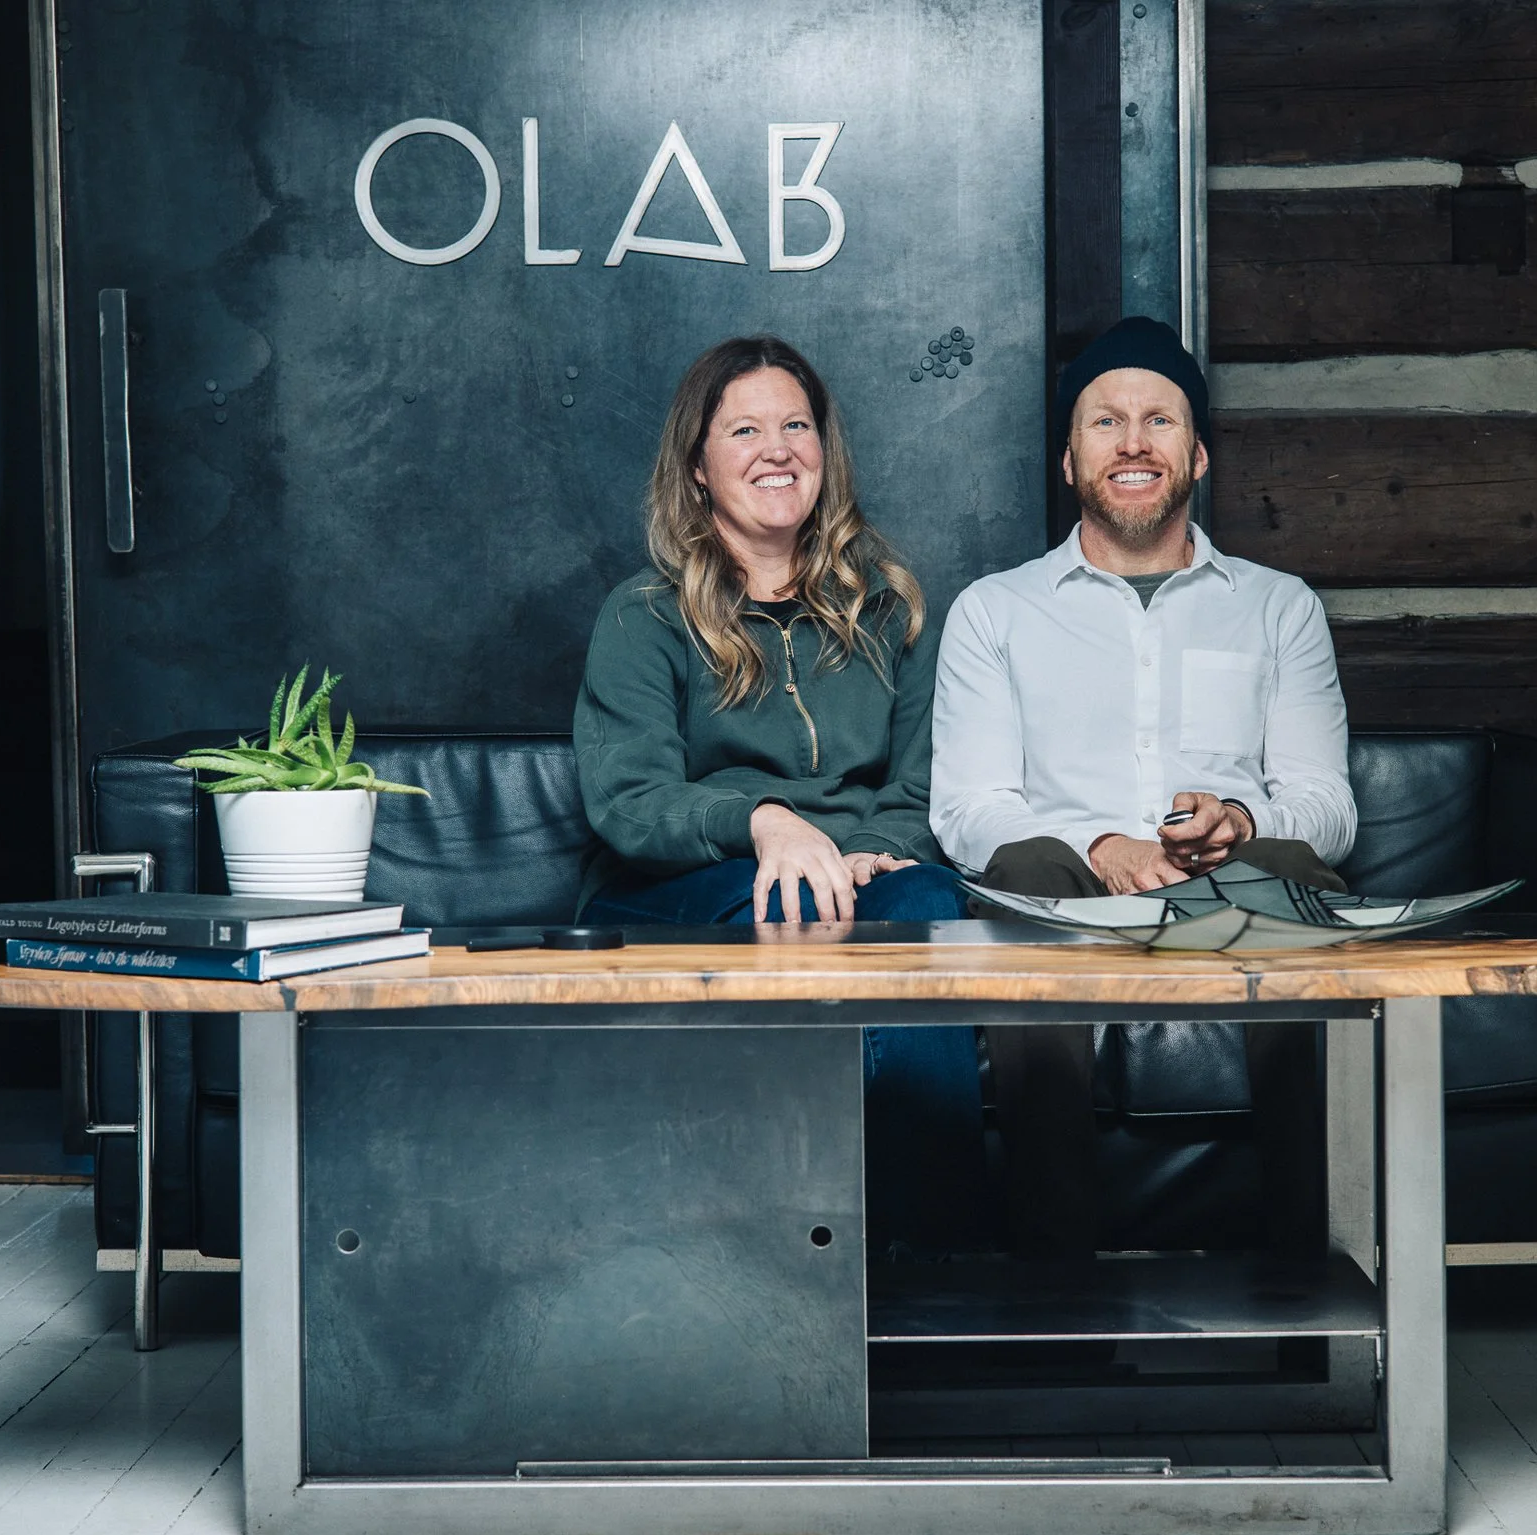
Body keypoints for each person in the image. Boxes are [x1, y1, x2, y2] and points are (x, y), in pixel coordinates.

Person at [930, 315, 1358, 1258]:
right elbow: (967, 809)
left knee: (1294, 866)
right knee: (1025, 867)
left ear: (1197, 455)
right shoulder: (995, 612)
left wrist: (1237, 823)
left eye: (1159, 420)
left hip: (1229, 892)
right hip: (1069, 893)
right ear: (1068, 460)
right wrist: (1103, 848)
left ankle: (1313, 1273)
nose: (1133, 443)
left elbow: (1327, 807)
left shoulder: (1278, 606)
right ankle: (1060, 1277)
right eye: (1105, 422)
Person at [575, 335, 982, 1247]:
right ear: (697, 467)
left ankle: (935, 1272)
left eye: (797, 426)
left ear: (824, 453)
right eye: (744, 430)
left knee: (926, 901)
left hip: (859, 883)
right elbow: (628, 800)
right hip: (683, 890)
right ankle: (786, 1261)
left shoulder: (891, 607)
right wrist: (764, 822)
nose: (777, 450)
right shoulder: (644, 615)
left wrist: (873, 850)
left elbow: (922, 781)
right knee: (799, 902)